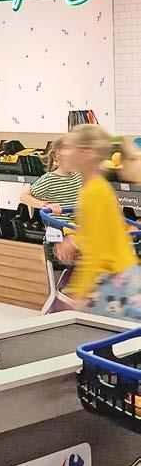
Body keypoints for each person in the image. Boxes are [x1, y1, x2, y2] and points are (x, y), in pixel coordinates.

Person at [54, 125, 141, 320]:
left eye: (67, 147)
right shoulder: (96, 187)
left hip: (113, 284)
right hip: (121, 276)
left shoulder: (93, 193)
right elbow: (101, 233)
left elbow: (96, 252)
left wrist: (79, 290)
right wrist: (76, 240)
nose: (61, 152)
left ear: (86, 154)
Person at [20, 135, 82, 215]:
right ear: (58, 157)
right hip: (58, 222)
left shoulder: (79, 176)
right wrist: (46, 205)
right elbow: (24, 197)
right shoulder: (49, 179)